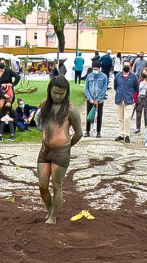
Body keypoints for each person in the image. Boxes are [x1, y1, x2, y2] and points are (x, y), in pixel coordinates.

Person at [36, 75, 82, 224]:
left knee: (57, 185)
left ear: (66, 93)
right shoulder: (45, 105)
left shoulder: (71, 110)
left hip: (61, 152)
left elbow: (79, 133)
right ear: (50, 90)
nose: (57, 96)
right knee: (42, 185)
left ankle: (53, 217)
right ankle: (51, 209)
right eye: (55, 93)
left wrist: (67, 146)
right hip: (45, 150)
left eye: (61, 94)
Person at [113, 61, 139, 143]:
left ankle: (127, 134)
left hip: (129, 100)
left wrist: (132, 96)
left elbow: (136, 88)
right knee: (121, 118)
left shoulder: (134, 77)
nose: (126, 67)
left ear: (130, 66)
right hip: (119, 99)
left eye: (128, 65)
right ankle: (121, 134)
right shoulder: (118, 76)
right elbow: (115, 87)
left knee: (127, 118)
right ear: (122, 66)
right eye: (125, 65)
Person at [84, 61, 107, 138]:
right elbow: (87, 88)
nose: (95, 70)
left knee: (99, 116)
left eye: (97, 69)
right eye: (94, 69)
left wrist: (98, 99)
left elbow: (104, 89)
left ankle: (98, 131)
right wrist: (90, 98)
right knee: (89, 115)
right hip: (90, 99)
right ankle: (87, 131)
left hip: (99, 100)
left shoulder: (104, 77)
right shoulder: (89, 76)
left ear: (99, 69)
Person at [135, 68, 147, 134]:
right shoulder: (139, 81)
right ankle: (138, 127)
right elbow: (136, 91)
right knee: (138, 113)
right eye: (143, 72)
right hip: (140, 97)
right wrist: (135, 101)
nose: (144, 74)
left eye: (145, 72)